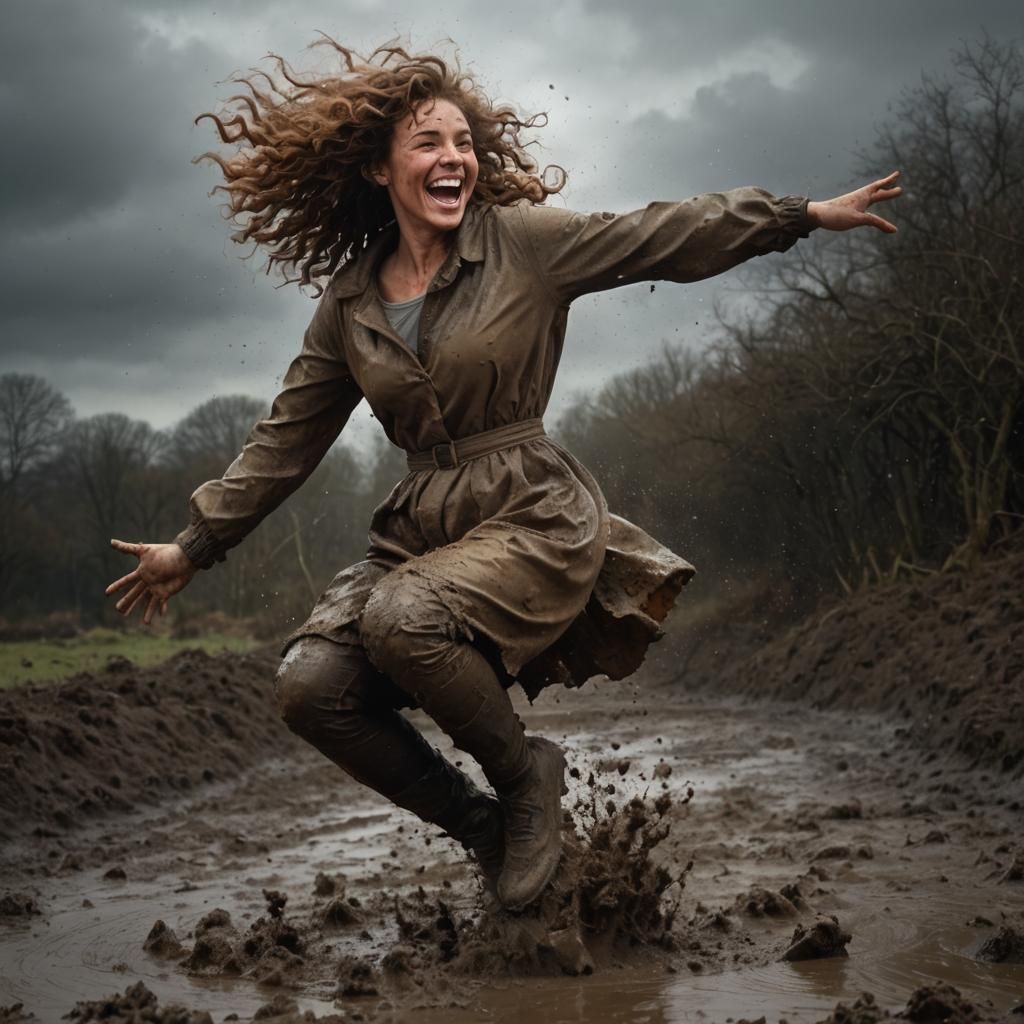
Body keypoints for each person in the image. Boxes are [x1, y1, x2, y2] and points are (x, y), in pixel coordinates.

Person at [105, 42, 901, 911]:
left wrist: (798, 214)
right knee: (310, 687)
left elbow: (660, 232)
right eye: (427, 143)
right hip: (424, 528)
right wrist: (194, 545)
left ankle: (527, 780)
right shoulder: (349, 304)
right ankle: (483, 826)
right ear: (378, 167)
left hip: (532, 511)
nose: (454, 158)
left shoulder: (523, 243)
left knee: (401, 615)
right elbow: (286, 439)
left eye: (462, 142)